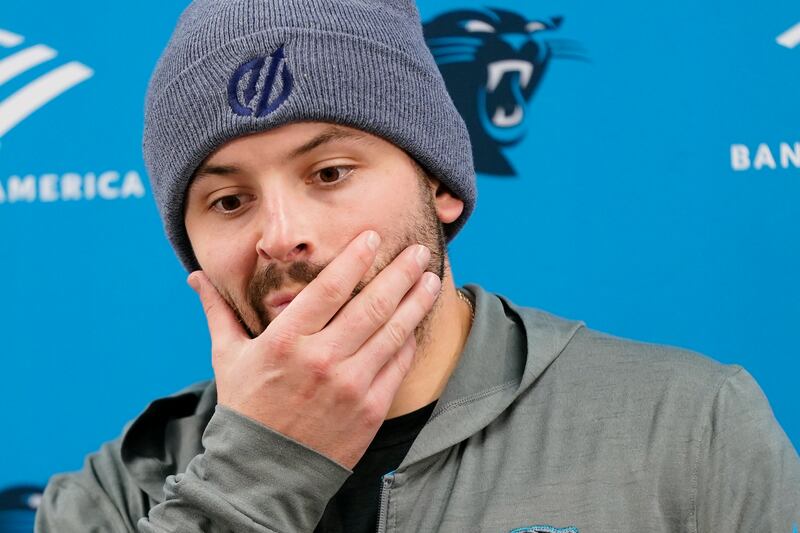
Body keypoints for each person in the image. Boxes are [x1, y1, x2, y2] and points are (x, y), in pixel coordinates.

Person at [35, 0, 800, 531]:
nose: (281, 234)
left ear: (440, 186)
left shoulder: (689, 426)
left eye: (329, 172)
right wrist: (258, 469)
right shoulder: (115, 493)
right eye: (228, 200)